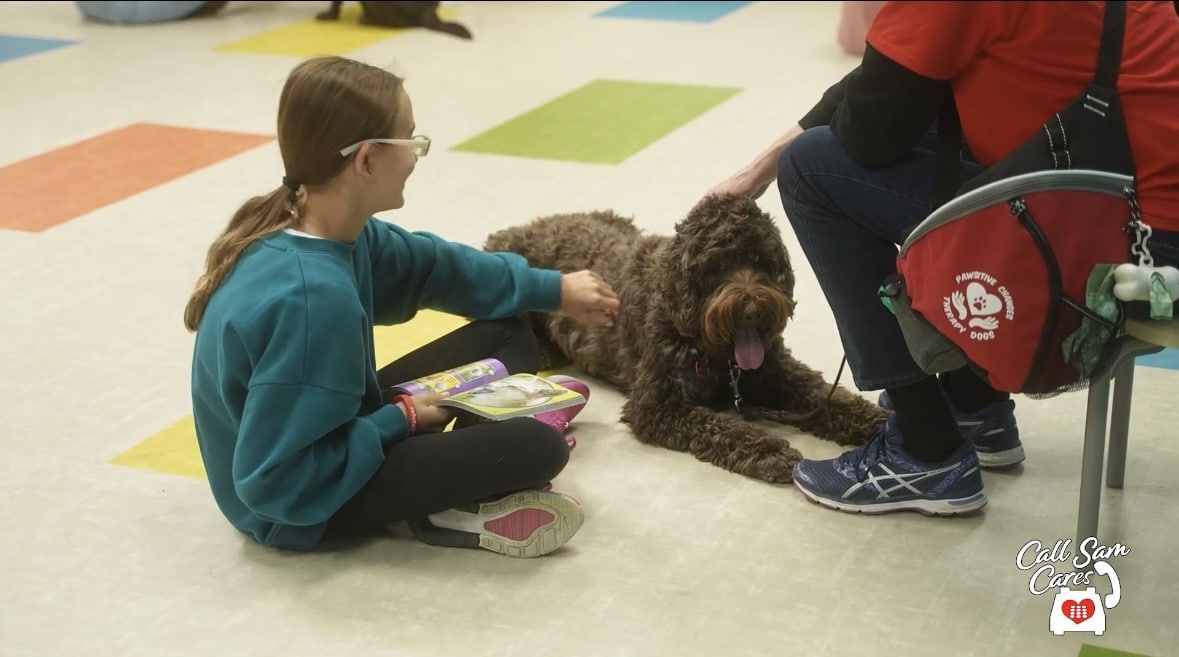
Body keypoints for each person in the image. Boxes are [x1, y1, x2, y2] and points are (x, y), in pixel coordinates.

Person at [704, 1, 1179, 515]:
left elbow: (870, 130)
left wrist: (775, 166)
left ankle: (924, 447)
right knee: (945, 116)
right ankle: (974, 403)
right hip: (1156, 249)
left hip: (1124, 277)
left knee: (810, 170)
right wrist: (755, 171)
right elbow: (890, 83)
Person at [184, 55, 620, 558]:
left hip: (336, 430)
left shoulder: (320, 224)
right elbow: (278, 484)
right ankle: (448, 504)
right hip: (302, 505)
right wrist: (403, 420)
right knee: (534, 449)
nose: (416, 155)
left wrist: (554, 290)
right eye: (410, 140)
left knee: (508, 335)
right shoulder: (313, 301)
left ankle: (476, 439)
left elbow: (439, 270)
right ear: (367, 159)